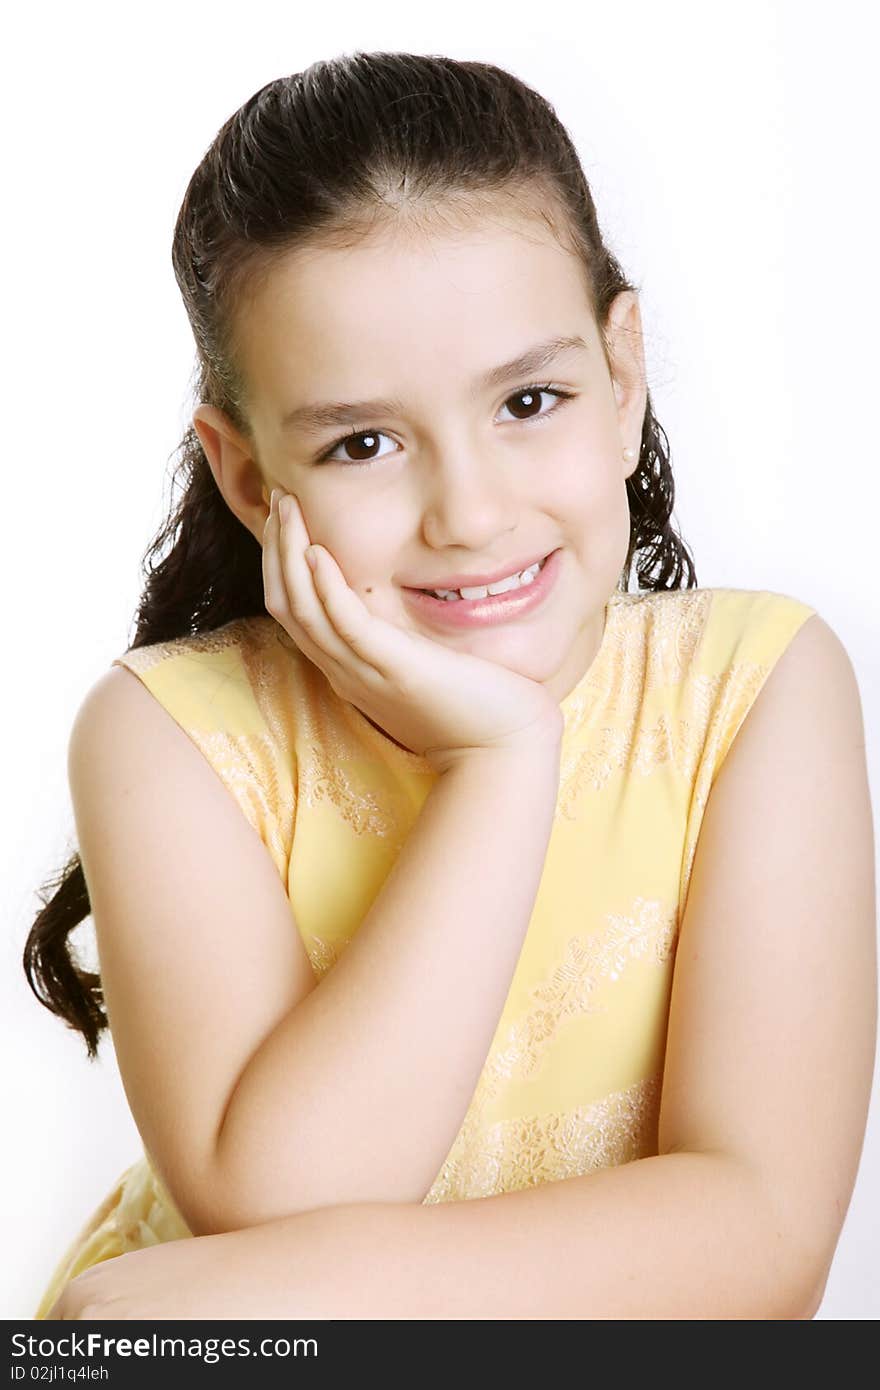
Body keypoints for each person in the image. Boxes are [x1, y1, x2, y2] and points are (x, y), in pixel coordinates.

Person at [23, 51, 875, 1322]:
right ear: (249, 477)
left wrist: (198, 1299)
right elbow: (278, 1210)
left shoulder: (753, 691)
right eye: (362, 443)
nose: (470, 514)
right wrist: (499, 762)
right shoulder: (169, 733)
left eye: (529, 400)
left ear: (623, 368)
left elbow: (759, 1241)